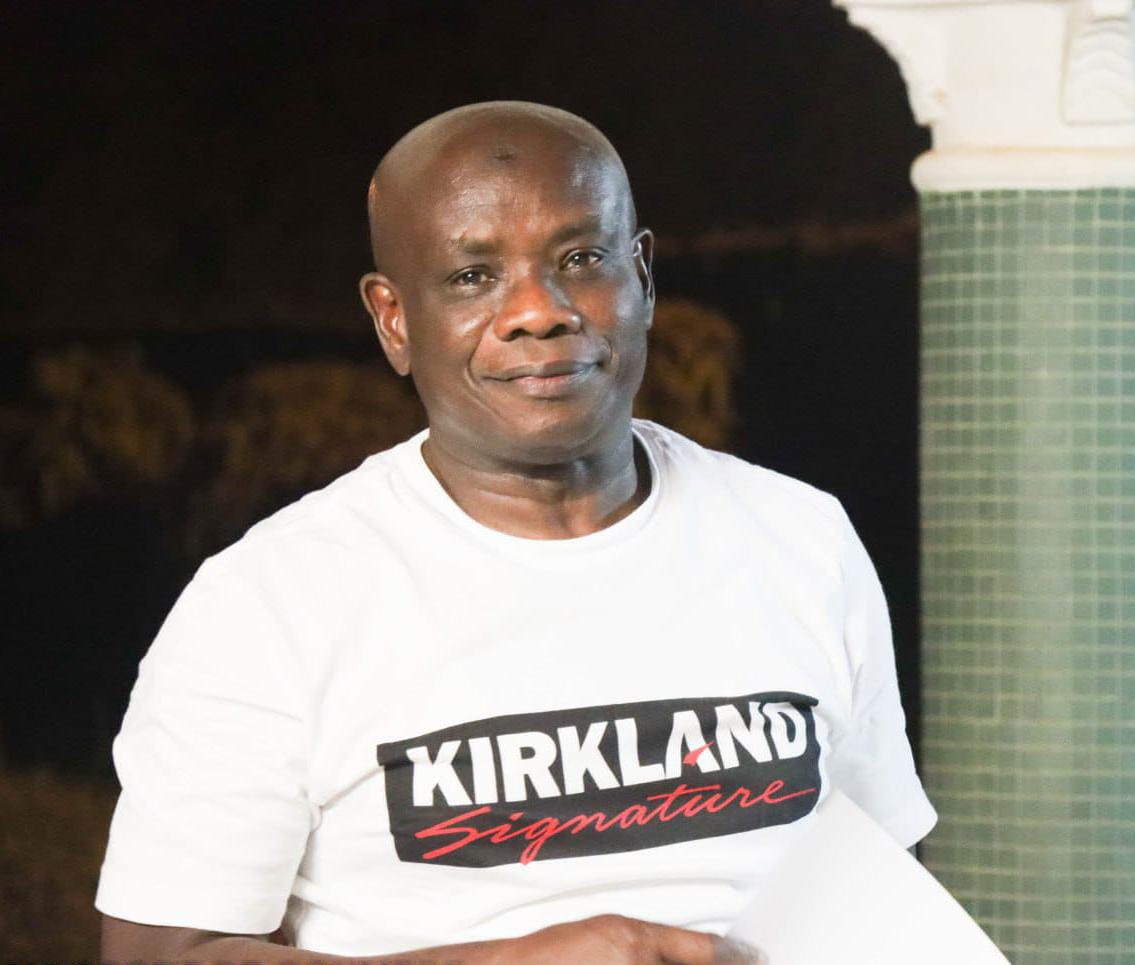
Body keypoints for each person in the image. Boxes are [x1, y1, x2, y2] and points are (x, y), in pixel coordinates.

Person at [97, 101, 936, 964]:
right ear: (393, 318)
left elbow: (886, 896)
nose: (539, 310)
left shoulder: (799, 538)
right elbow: (161, 955)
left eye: (581, 259)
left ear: (643, 277)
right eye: (472, 277)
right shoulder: (269, 603)